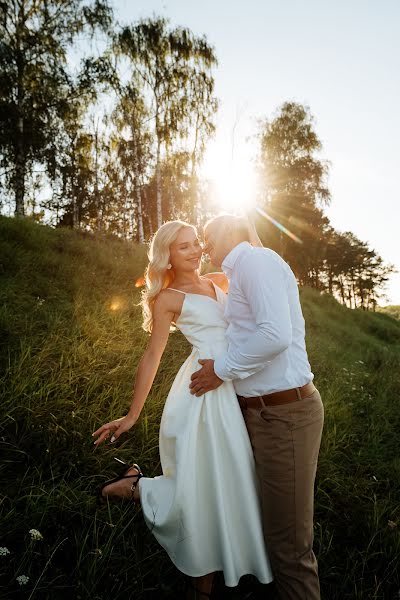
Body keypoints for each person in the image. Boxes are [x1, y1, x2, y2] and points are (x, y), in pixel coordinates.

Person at [91, 218, 274, 600]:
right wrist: (132, 415)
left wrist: (247, 221)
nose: (194, 251)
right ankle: (200, 580)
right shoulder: (168, 298)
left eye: (195, 243)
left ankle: (139, 486)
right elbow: (152, 355)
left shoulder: (219, 280)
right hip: (201, 394)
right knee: (205, 482)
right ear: (167, 255)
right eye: (183, 246)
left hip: (231, 386)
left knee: (233, 475)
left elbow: (262, 261)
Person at [189, 214, 324, 600]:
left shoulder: (255, 262)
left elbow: (274, 336)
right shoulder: (241, 270)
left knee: (289, 546)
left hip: (286, 417)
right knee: (271, 528)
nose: (204, 242)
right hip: (261, 414)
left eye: (207, 234)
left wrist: (222, 371)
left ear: (230, 229)